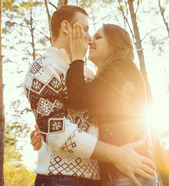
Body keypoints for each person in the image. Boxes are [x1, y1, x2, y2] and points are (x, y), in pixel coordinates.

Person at [24, 5, 156, 186]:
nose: (88, 38)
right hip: (61, 178)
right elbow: (56, 131)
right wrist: (45, 133)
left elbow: (84, 116)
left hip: (103, 175)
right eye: (85, 29)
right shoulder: (44, 67)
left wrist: (49, 131)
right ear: (66, 27)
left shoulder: (86, 74)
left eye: (95, 35)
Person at [66, 22, 158, 186]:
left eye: (98, 37)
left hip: (130, 173)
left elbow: (77, 98)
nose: (90, 42)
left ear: (115, 43)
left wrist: (77, 57)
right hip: (119, 172)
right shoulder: (109, 75)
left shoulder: (122, 67)